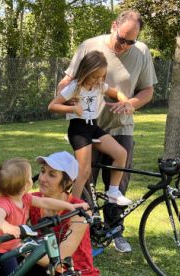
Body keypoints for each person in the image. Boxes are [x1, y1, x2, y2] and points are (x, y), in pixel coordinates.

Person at [57, 9, 157, 253]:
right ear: (114, 26)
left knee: (119, 180)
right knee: (85, 177)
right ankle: (83, 228)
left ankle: (115, 230)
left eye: (130, 42)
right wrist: (69, 102)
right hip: (88, 127)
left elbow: (147, 91)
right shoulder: (89, 46)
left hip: (121, 126)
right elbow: (66, 83)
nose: (124, 45)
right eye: (121, 39)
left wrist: (130, 103)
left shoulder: (142, 52)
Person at [14, 151, 100, 276]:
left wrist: (23, 249)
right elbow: (13, 229)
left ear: (67, 182)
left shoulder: (79, 210)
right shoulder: (32, 200)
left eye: (52, 175)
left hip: (74, 275)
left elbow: (60, 259)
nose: (42, 178)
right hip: (46, 269)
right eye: (43, 171)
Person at [49, 51, 131, 206]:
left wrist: (126, 102)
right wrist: (72, 109)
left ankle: (113, 192)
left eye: (102, 76)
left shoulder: (99, 86)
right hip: (78, 130)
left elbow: (117, 93)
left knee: (121, 153)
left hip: (93, 127)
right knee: (84, 171)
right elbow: (52, 106)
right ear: (85, 72)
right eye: (94, 77)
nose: (98, 80)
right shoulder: (74, 87)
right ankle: (74, 206)